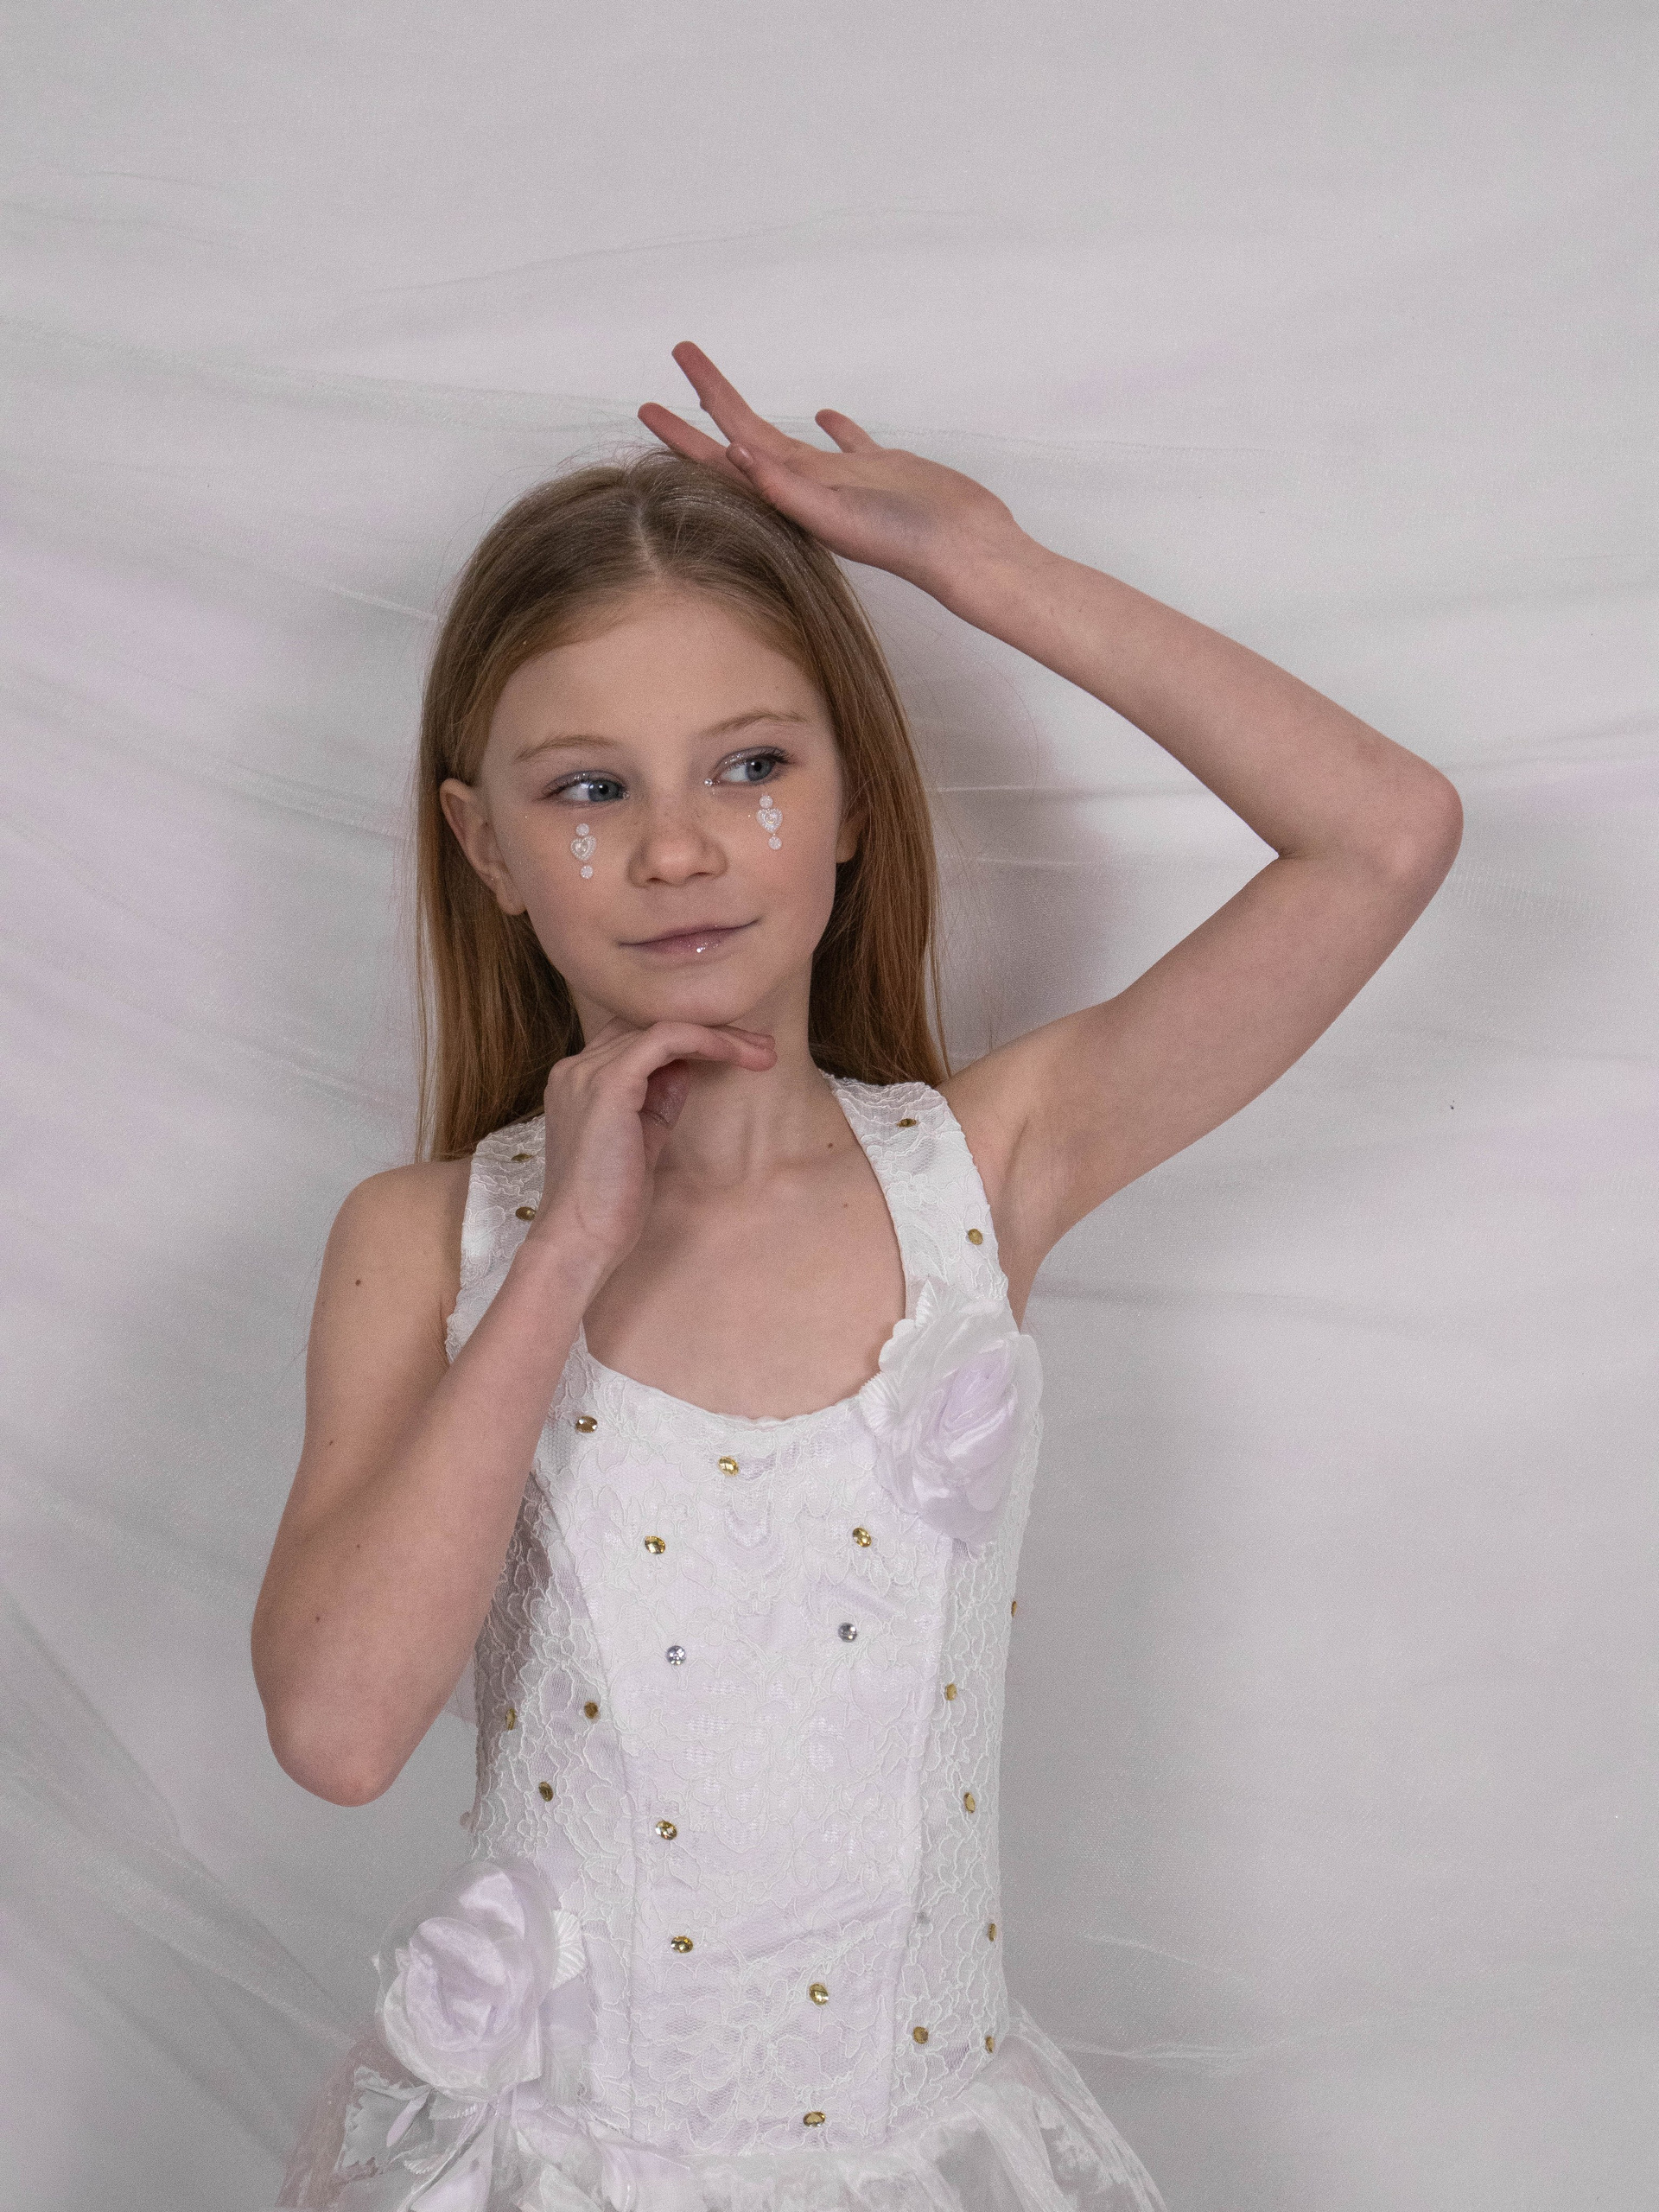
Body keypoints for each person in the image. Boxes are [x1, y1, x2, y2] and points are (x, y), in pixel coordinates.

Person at [253, 340, 1461, 2209]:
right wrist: (569, 1247)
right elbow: (339, 1734)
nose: (675, 847)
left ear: (853, 798)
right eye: (588, 790)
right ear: (485, 846)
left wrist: (986, 564)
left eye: (753, 764)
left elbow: (1385, 833)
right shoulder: (425, 1241)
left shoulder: (988, 1170)